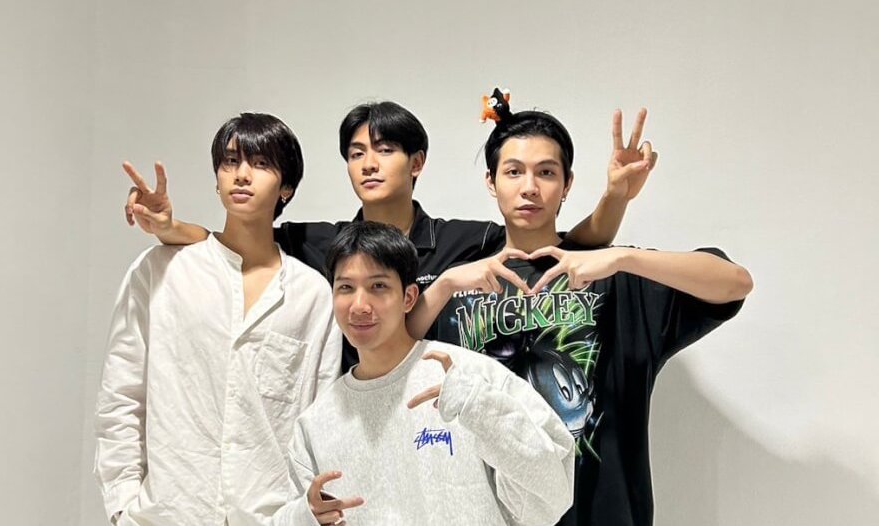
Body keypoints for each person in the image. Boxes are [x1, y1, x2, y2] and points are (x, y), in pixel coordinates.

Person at [407, 103, 754, 526]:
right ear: (491, 182)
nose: (529, 188)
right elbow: (391, 356)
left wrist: (622, 257)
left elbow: (734, 283)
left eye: (546, 172)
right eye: (513, 172)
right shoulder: (461, 285)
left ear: (567, 184)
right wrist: (444, 284)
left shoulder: (612, 276)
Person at [121, 100, 654, 371]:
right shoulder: (323, 243)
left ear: (416, 161)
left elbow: (567, 247)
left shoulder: (465, 242)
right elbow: (239, 241)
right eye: (356, 153)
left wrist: (615, 199)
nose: (369, 164)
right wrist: (170, 229)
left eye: (385, 150)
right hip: (352, 416)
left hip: (437, 425)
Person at [94, 114, 341, 526]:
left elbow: (320, 420)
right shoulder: (161, 272)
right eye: (230, 162)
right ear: (216, 179)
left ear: (287, 187)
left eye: (261, 163)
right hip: (168, 514)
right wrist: (123, 506)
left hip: (269, 518)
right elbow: (121, 395)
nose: (242, 174)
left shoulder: (312, 297)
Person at [271, 221, 576, 526]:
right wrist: (306, 517)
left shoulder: (471, 377)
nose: (360, 306)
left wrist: (479, 408)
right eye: (346, 288)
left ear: (408, 297)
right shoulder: (317, 422)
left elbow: (552, 494)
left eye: (378, 286)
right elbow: (284, 514)